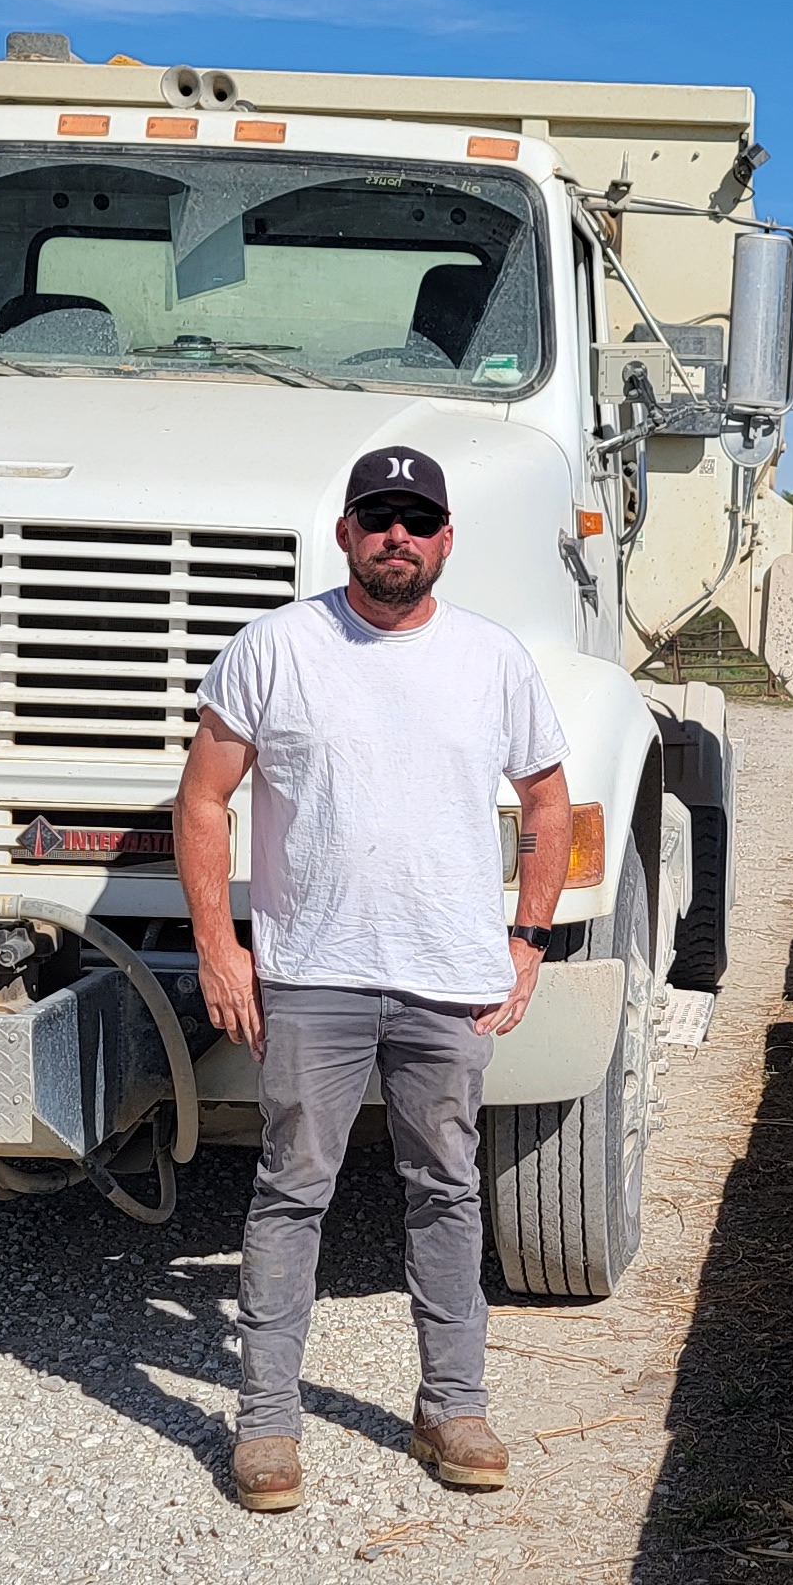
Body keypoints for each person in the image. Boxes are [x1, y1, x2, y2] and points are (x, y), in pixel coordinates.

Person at [174, 445, 573, 1515]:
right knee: (292, 1188)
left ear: (445, 539)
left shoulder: (493, 660)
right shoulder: (276, 648)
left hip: (448, 979)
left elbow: (547, 806)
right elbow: (203, 800)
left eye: (417, 519)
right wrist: (222, 947)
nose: (397, 535)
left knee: (444, 1188)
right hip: (312, 976)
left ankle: (454, 1404)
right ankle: (264, 1421)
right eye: (376, 516)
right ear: (346, 533)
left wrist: (528, 939)